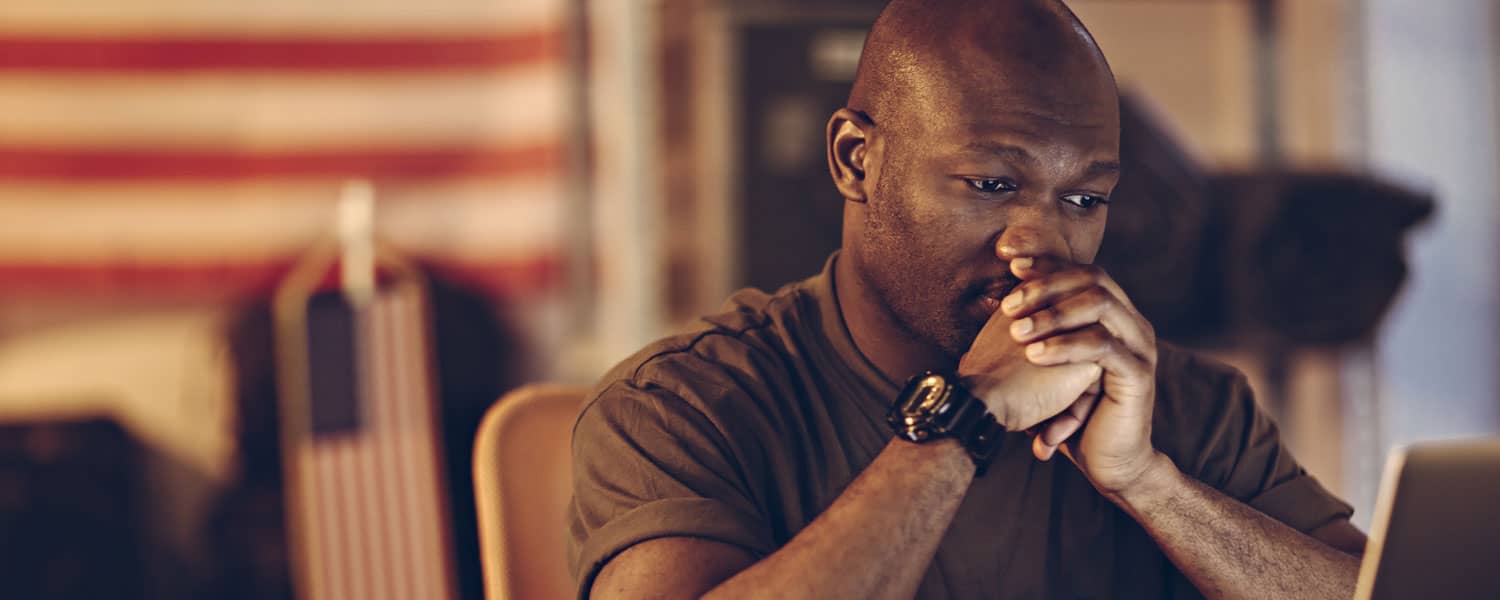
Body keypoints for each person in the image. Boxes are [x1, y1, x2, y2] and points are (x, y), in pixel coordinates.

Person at [567, 0, 1367, 598]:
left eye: (1085, 200)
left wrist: (1149, 483)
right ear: (856, 160)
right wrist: (963, 420)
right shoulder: (680, 405)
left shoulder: (1187, 404)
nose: (1039, 242)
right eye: (991, 184)